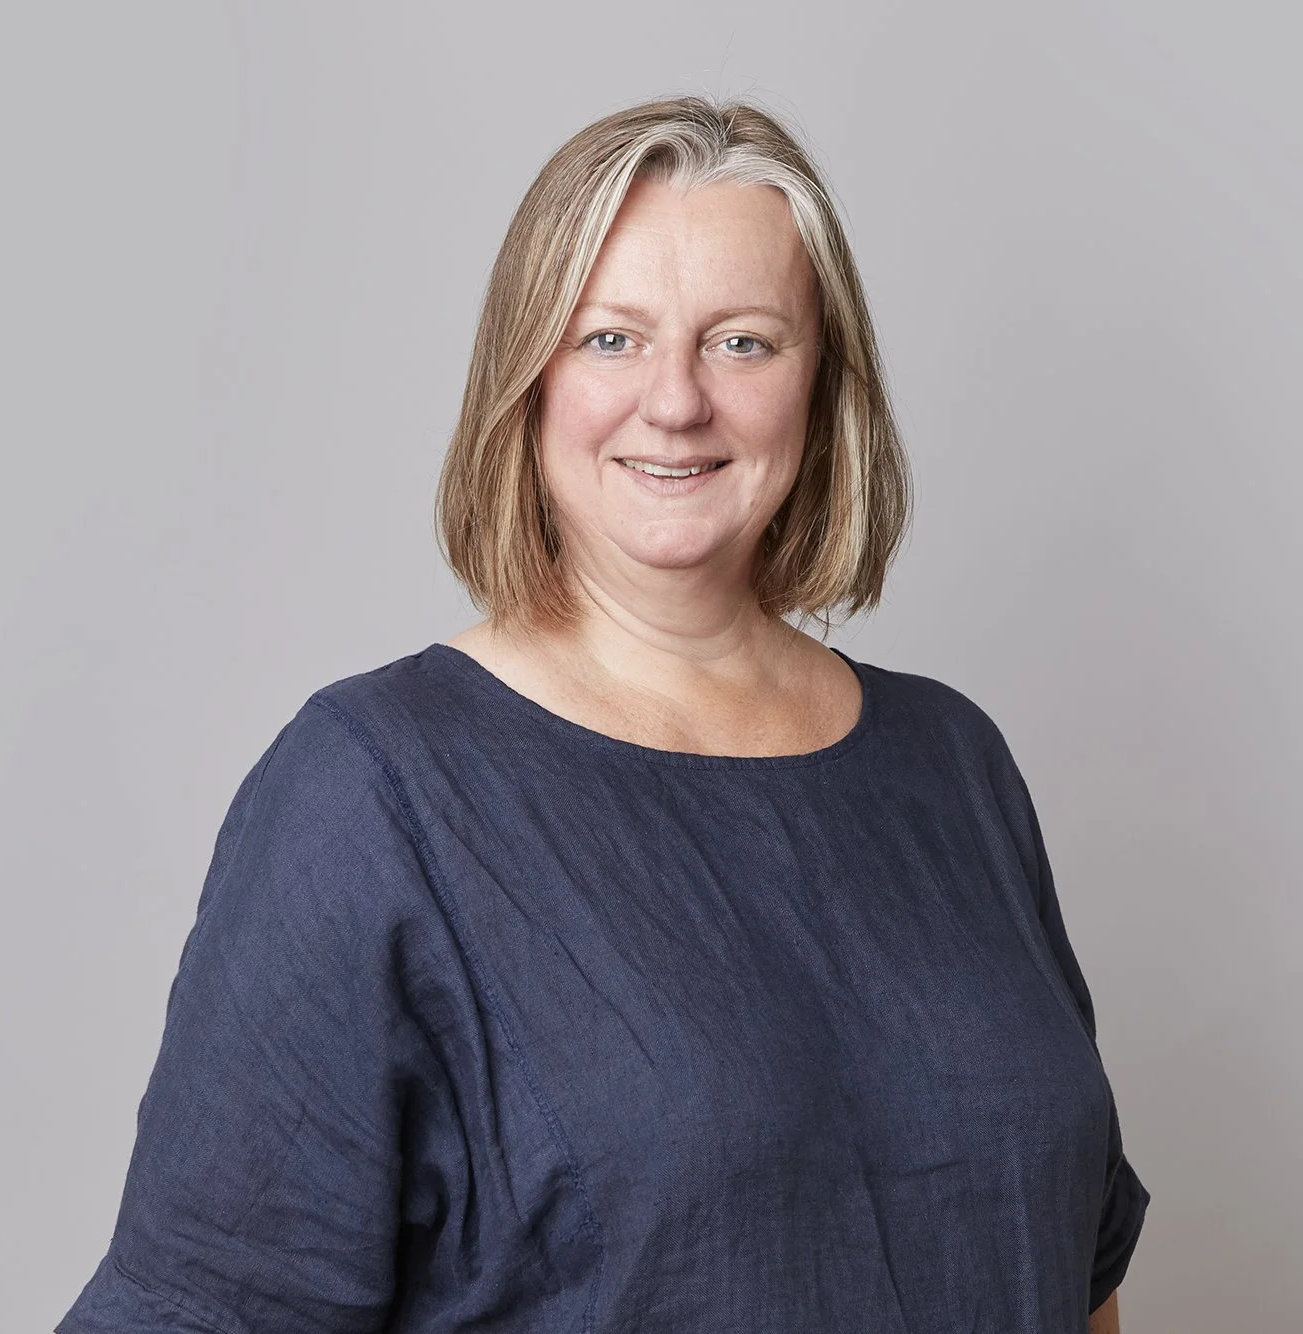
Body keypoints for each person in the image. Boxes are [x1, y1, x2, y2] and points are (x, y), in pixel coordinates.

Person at [57, 95, 1150, 1333]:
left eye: (742, 341)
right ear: (524, 377)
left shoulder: (953, 765)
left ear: (821, 381)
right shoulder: (368, 795)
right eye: (610, 339)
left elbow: (1078, 1278)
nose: (674, 400)